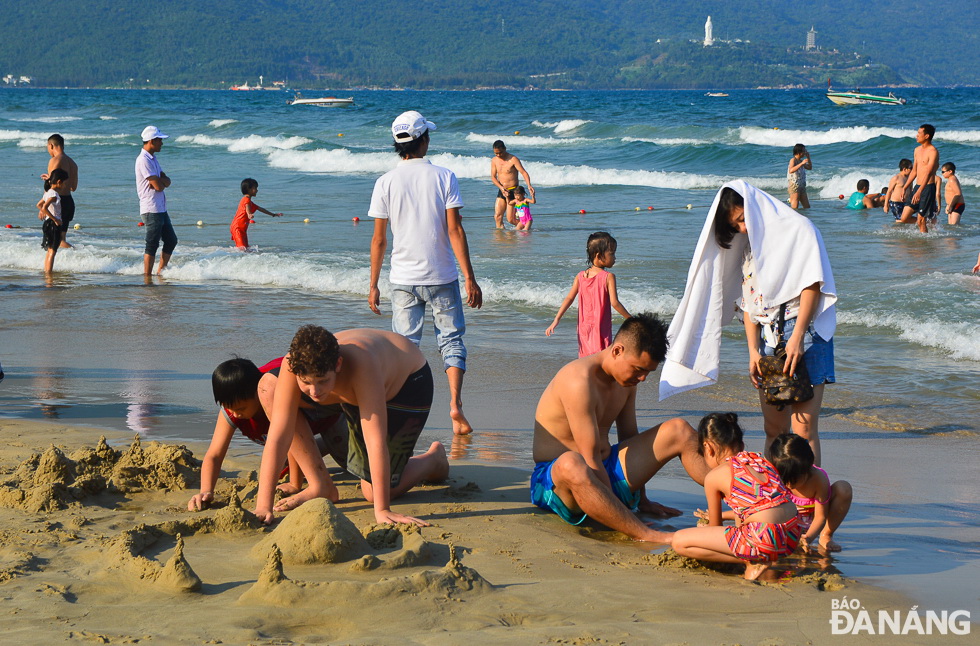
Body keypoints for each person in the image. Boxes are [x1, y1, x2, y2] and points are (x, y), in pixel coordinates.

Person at [660, 181, 837, 466]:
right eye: (735, 225)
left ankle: (810, 501)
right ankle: (775, 496)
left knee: (804, 430)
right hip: (768, 338)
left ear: (755, 208)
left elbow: (813, 285)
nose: (742, 228)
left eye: (743, 219)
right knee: (774, 430)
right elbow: (750, 303)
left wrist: (797, 338)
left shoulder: (798, 229)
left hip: (805, 333)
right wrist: (753, 352)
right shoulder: (750, 245)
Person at [531, 314, 710, 542]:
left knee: (679, 430)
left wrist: (642, 500)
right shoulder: (578, 380)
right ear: (617, 351)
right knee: (572, 462)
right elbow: (590, 456)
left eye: (648, 372)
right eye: (638, 369)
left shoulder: (626, 383)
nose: (643, 378)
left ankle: (743, 503)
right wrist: (626, 516)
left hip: (605, 473)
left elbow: (629, 438)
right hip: (561, 485)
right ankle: (646, 534)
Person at [255, 325, 450, 527]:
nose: (314, 391)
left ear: (338, 364)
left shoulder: (362, 364)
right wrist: (263, 505)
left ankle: (434, 459)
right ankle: (320, 484)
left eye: (322, 381)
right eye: (305, 382)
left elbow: (375, 441)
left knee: (373, 493)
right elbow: (278, 435)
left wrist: (382, 510)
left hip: (406, 383)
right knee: (270, 389)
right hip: (348, 392)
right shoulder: (292, 365)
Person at [368, 110, 483, 436]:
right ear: (424, 140)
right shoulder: (444, 176)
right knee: (451, 341)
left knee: (404, 347)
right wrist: (469, 277)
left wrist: (373, 284)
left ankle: (401, 411)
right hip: (442, 276)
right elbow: (455, 231)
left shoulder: (385, 182)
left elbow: (379, 239)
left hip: (403, 278)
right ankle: (455, 406)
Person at [187, 357, 346, 511]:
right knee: (277, 463)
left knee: (348, 460)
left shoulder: (269, 393)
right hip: (304, 434)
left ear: (257, 395)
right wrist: (205, 490)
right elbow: (214, 454)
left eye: (241, 409)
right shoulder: (232, 408)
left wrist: (295, 483)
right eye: (230, 409)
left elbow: (290, 434)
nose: (235, 414)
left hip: (332, 418)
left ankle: (328, 450)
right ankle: (319, 450)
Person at [668, 413, 800, 580]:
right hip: (791, 536)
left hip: (764, 538)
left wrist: (704, 530)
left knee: (679, 541)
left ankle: (753, 561)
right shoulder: (761, 460)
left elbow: (715, 526)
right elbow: (751, 511)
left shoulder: (715, 476)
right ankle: (766, 556)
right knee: (750, 530)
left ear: (708, 448)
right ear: (742, 444)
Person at [546, 232, 631, 357]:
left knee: (586, 359)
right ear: (599, 255)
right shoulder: (608, 277)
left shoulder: (580, 276)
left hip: (583, 327)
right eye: (612, 253)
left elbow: (569, 298)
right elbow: (615, 303)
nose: (615, 258)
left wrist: (556, 319)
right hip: (600, 327)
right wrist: (632, 319)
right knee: (601, 359)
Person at [767, 433, 852, 554]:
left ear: (807, 468)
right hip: (786, 521)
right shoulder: (774, 476)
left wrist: (808, 538)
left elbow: (820, 517)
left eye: (795, 479)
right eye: (786, 479)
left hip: (811, 523)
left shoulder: (818, 479)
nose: (790, 484)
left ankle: (825, 536)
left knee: (844, 488)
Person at [135, 126, 176, 275]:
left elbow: (166, 180)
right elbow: (159, 185)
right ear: (152, 141)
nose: (162, 143)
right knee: (152, 244)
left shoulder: (152, 159)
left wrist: (162, 181)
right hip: (151, 208)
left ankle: (160, 272)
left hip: (160, 208)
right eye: (160, 140)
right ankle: (147, 277)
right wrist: (162, 181)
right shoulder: (143, 160)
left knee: (171, 240)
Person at [899, 124, 940, 234]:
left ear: (926, 136)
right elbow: (915, 171)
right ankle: (928, 223)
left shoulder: (933, 152)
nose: (916, 135)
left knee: (921, 220)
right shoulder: (917, 150)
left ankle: (924, 243)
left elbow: (929, 172)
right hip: (918, 187)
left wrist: (920, 191)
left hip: (927, 188)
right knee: (904, 218)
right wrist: (905, 187)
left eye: (919, 133)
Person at [40, 134, 78, 249]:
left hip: (56, 203)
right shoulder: (72, 163)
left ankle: (81, 254)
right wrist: (51, 178)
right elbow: (73, 187)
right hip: (68, 202)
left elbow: (51, 187)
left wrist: (43, 206)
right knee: (61, 239)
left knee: (53, 241)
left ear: (51, 145)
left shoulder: (54, 160)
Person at [490, 140, 535, 228]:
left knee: (510, 219)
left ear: (505, 149)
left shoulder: (513, 159)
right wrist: (501, 188)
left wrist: (529, 185)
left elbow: (524, 173)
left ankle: (526, 227)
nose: (498, 155)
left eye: (500, 153)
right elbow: (493, 177)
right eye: (496, 153)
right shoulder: (494, 160)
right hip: (502, 190)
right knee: (497, 216)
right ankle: (501, 239)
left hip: (513, 191)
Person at [231, 178, 283, 250]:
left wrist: (273, 214)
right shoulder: (246, 199)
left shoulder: (250, 202)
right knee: (241, 249)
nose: (257, 190)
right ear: (249, 189)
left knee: (246, 248)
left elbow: (261, 209)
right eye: (255, 188)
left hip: (242, 228)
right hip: (237, 228)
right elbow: (247, 207)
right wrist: (249, 214)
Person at [37, 169, 69, 274]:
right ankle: (49, 274)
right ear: (59, 182)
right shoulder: (54, 194)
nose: (65, 186)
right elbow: (44, 207)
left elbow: (39, 205)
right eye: (64, 183)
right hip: (53, 224)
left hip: (47, 223)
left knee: (50, 250)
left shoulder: (47, 192)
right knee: (52, 251)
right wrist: (55, 219)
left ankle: (46, 271)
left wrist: (46, 214)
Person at [787, 143, 811, 209]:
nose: (804, 152)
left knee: (807, 207)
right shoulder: (793, 160)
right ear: (799, 152)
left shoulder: (800, 161)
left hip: (801, 185)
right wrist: (802, 163)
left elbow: (809, 167)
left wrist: (808, 157)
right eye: (803, 151)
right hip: (794, 185)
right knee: (795, 207)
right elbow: (791, 170)